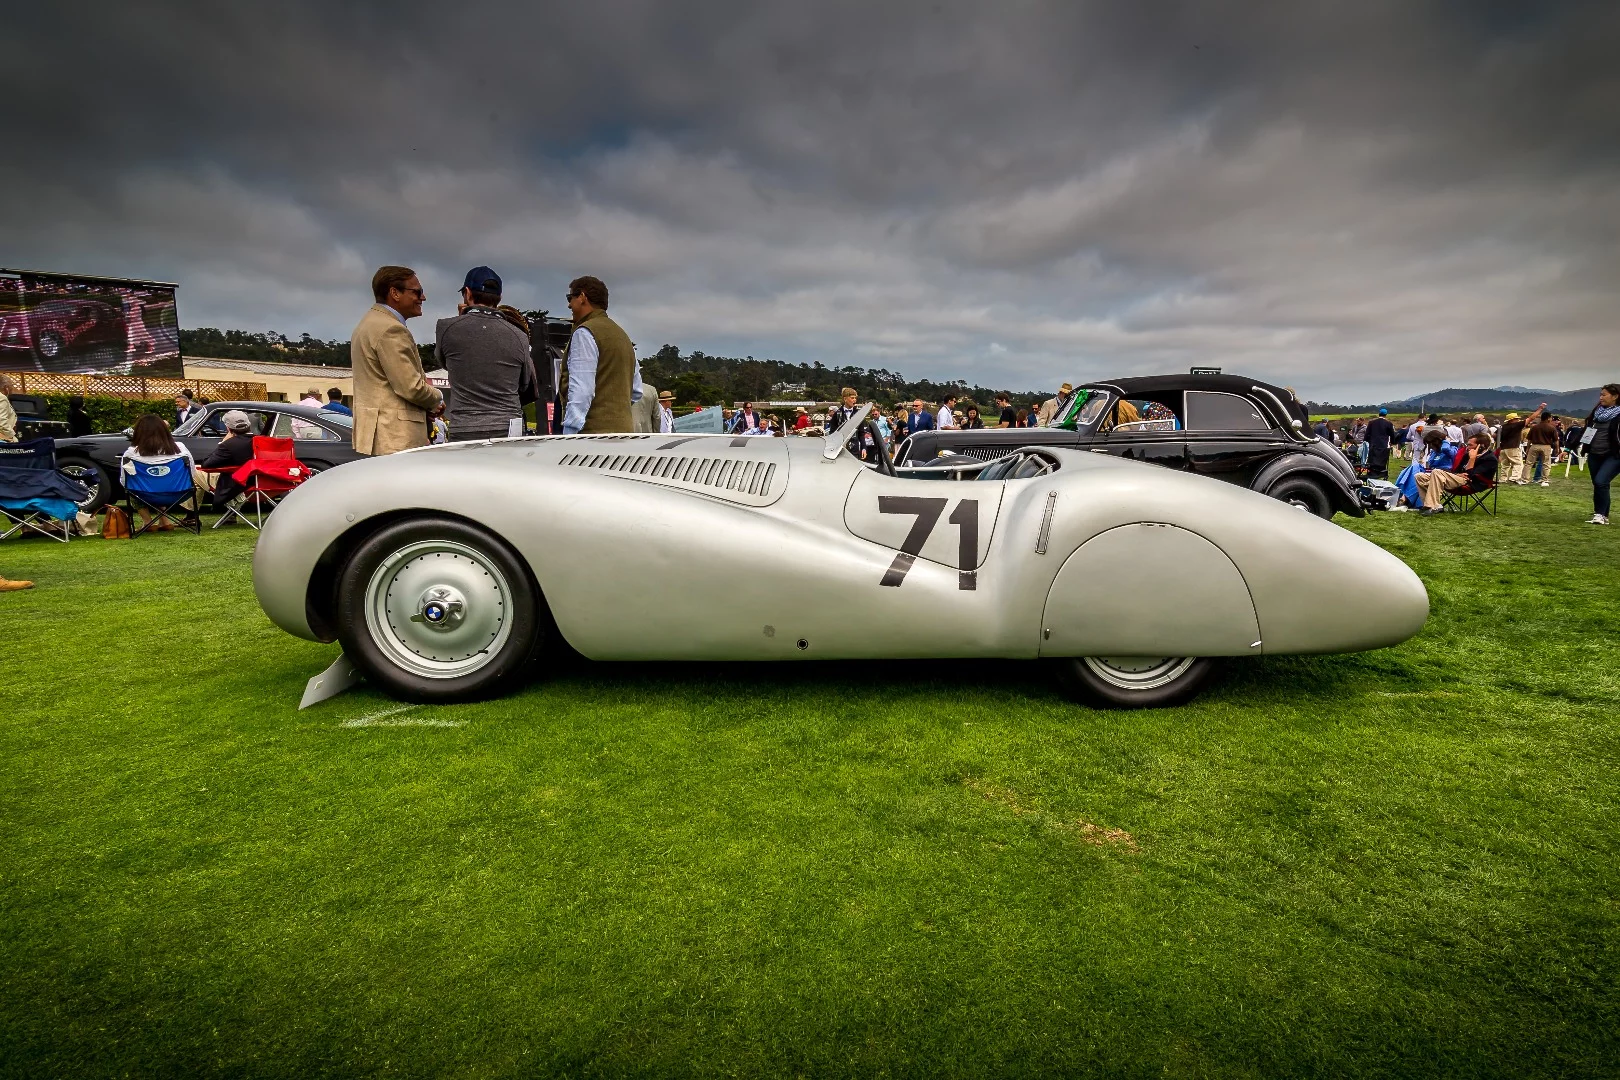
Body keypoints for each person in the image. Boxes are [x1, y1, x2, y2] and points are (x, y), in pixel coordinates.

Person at [434, 266, 535, 442]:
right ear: (499, 298)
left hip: (465, 425)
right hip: (508, 426)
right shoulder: (519, 335)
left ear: (467, 293)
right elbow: (525, 382)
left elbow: (446, 363)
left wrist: (461, 319)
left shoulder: (446, 328)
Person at [350, 266, 444, 455]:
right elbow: (410, 387)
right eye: (417, 292)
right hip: (395, 437)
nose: (423, 298)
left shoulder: (368, 323)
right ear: (394, 293)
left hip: (377, 436)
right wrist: (437, 398)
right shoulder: (391, 329)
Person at [560, 276, 641, 435]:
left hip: (592, 436)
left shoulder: (584, 332)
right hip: (624, 433)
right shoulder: (623, 336)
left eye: (571, 297)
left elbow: (582, 391)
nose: (569, 304)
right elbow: (636, 390)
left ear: (582, 297)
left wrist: (568, 433)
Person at [119, 413, 198, 531]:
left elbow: (124, 480)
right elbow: (192, 473)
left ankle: (148, 521)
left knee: (138, 486)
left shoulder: (131, 453)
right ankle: (164, 520)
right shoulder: (180, 448)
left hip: (145, 494)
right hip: (179, 493)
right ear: (164, 430)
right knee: (162, 483)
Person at [1417, 431, 1497, 515]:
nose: (1467, 447)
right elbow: (1457, 470)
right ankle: (1436, 505)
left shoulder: (1489, 459)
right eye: (1467, 444)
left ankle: (1430, 506)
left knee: (1437, 472)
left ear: (1481, 446)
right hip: (1459, 479)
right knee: (1420, 476)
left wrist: (1472, 459)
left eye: (1470, 445)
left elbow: (1472, 476)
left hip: (1473, 483)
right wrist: (1457, 474)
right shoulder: (1467, 455)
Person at [198, 409, 257, 514]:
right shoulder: (262, 441)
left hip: (234, 485)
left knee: (194, 473)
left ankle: (191, 517)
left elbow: (206, 464)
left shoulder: (228, 445)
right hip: (259, 481)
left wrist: (223, 442)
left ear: (228, 428)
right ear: (249, 424)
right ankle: (230, 512)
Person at [1579, 383, 1620, 525]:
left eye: (1604, 395)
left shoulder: (1619, 415)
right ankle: (1604, 515)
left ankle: (1600, 514)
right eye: (1600, 394)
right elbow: (1586, 431)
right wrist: (1570, 447)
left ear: (1615, 396)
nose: (1600, 397)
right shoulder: (1597, 413)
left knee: (1601, 481)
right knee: (1600, 484)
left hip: (1614, 455)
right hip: (1594, 453)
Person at [1396, 428, 1452, 508]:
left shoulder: (1450, 450)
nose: (1430, 446)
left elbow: (1446, 449)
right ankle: (1405, 498)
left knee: (1416, 470)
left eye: (1431, 444)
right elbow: (1429, 465)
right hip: (1430, 473)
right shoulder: (1434, 453)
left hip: (1443, 476)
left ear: (1437, 442)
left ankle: (1404, 497)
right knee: (1415, 468)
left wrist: (1445, 440)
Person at [1524, 408, 1558, 487]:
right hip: (1546, 446)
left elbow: (1529, 439)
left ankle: (1525, 479)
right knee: (1546, 464)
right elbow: (1556, 440)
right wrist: (1557, 448)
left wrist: (1528, 448)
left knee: (1528, 463)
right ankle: (1544, 480)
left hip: (1534, 446)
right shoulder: (1552, 428)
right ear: (1548, 418)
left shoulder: (1534, 427)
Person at [1364, 408, 1396, 480]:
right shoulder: (1388, 424)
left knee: (1372, 459)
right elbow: (1392, 434)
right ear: (1386, 415)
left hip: (1373, 444)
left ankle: (1371, 472)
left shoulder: (1371, 423)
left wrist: (1367, 440)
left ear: (1379, 414)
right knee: (1381, 459)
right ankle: (1380, 472)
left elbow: (1367, 434)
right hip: (1383, 444)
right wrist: (1393, 442)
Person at [1496, 412, 1527, 483]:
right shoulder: (1516, 426)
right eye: (1516, 419)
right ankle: (1514, 478)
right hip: (1513, 447)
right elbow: (1530, 419)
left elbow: (1494, 435)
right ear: (1512, 420)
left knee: (1505, 465)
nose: (1518, 420)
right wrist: (1540, 409)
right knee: (1518, 463)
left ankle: (1503, 479)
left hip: (1503, 448)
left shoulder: (1502, 427)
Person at [0, 374, 17, 442]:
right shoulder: (2, 398)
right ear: (6, 387)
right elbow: (2, 422)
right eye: (12, 385)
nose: (12, 388)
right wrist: (12, 436)